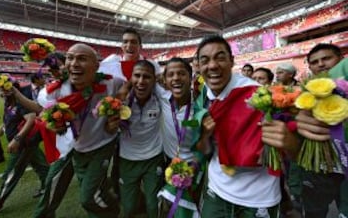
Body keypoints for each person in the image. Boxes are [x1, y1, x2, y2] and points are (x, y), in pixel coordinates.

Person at [194, 35, 300, 218]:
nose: (212, 65)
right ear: (199, 66)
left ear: (232, 61)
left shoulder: (259, 95)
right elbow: (204, 148)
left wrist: (290, 143)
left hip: (259, 199)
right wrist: (203, 135)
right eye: (205, 60)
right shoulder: (203, 95)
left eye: (220, 57)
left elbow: (297, 153)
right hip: (216, 191)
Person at [37, 43, 123, 218]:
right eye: (70, 57)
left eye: (82, 59)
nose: (74, 63)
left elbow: (128, 89)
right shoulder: (57, 90)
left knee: (87, 197)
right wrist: (55, 123)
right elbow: (43, 109)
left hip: (103, 144)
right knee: (87, 188)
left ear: (96, 66)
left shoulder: (111, 83)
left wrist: (117, 118)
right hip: (76, 147)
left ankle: (113, 209)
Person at [296, 43, 345, 218]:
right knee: (313, 213)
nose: (321, 64)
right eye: (315, 62)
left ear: (341, 59)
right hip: (318, 170)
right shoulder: (303, 96)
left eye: (326, 58)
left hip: (345, 170)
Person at [0, 82, 49, 214]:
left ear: (12, 90)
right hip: (28, 144)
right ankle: (48, 187)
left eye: (4, 90)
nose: (2, 93)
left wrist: (17, 139)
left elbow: (31, 118)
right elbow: (4, 125)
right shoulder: (8, 104)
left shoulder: (20, 102)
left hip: (23, 144)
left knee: (10, 174)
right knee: (41, 166)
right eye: (1, 90)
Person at [118, 60, 164, 218]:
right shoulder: (120, 101)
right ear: (131, 78)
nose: (141, 81)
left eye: (147, 77)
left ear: (154, 80)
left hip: (153, 159)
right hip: (127, 160)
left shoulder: (161, 98)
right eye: (137, 76)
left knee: (153, 206)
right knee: (129, 208)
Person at [158, 57, 202, 217]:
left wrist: (194, 167)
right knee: (169, 205)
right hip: (168, 161)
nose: (176, 78)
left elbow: (206, 143)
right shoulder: (161, 97)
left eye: (181, 73)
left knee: (186, 206)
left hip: (193, 165)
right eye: (171, 74)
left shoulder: (201, 104)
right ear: (164, 80)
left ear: (190, 77)